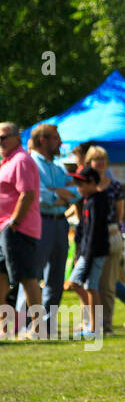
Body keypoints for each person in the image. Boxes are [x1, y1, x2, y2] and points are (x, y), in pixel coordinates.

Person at [82, 146, 125, 332]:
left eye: (103, 159)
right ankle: (91, 322)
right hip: (90, 236)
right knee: (88, 283)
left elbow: (119, 214)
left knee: (108, 284)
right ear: (89, 162)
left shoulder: (115, 186)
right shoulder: (85, 185)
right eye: (96, 159)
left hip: (110, 235)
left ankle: (105, 324)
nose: (99, 163)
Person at [29, 124, 78, 335]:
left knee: (56, 278)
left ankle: (46, 325)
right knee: (31, 275)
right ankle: (27, 323)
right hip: (39, 222)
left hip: (60, 224)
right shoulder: (30, 164)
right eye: (56, 139)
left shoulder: (57, 167)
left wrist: (56, 193)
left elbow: (76, 192)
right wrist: (59, 195)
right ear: (43, 140)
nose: (60, 143)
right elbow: (39, 196)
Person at [0, 122, 44, 339]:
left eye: (4, 137)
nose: (1, 141)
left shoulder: (21, 161)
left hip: (18, 228)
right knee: (1, 278)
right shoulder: (6, 162)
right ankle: (4, 327)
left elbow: (27, 193)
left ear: (17, 137)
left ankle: (38, 327)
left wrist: (14, 221)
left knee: (27, 277)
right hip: (5, 229)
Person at [67, 163, 110, 337]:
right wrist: (79, 253)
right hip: (86, 252)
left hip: (95, 252)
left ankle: (94, 327)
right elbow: (83, 230)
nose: (79, 188)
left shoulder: (98, 201)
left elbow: (94, 233)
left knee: (90, 287)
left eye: (81, 185)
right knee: (76, 283)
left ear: (92, 183)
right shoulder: (87, 201)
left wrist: (88, 256)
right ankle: (90, 322)